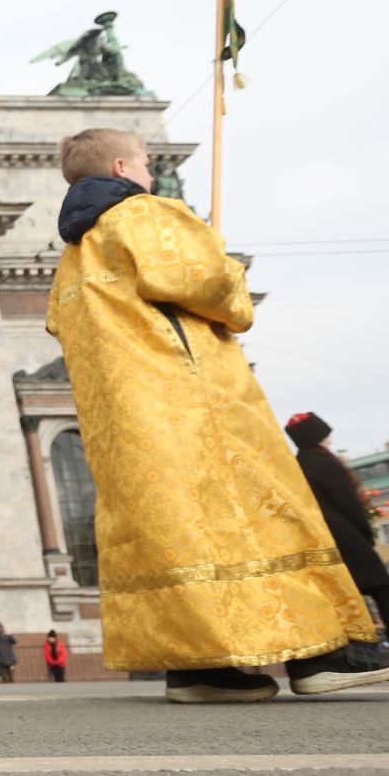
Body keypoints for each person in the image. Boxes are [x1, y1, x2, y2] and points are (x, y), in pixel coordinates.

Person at [47, 129, 389, 703]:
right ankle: (321, 654)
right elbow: (214, 291)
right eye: (149, 165)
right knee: (261, 513)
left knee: (175, 534)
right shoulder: (142, 214)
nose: (153, 176)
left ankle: (203, 669)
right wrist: (224, 263)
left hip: (129, 428)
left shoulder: (73, 258)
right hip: (197, 406)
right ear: (122, 165)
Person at [285, 412, 389, 627]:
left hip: (327, 539)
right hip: (349, 536)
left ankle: (365, 646)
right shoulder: (322, 462)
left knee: (350, 597)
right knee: (382, 589)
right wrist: (366, 534)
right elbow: (348, 502)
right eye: (325, 435)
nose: (330, 440)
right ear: (315, 436)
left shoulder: (299, 464)